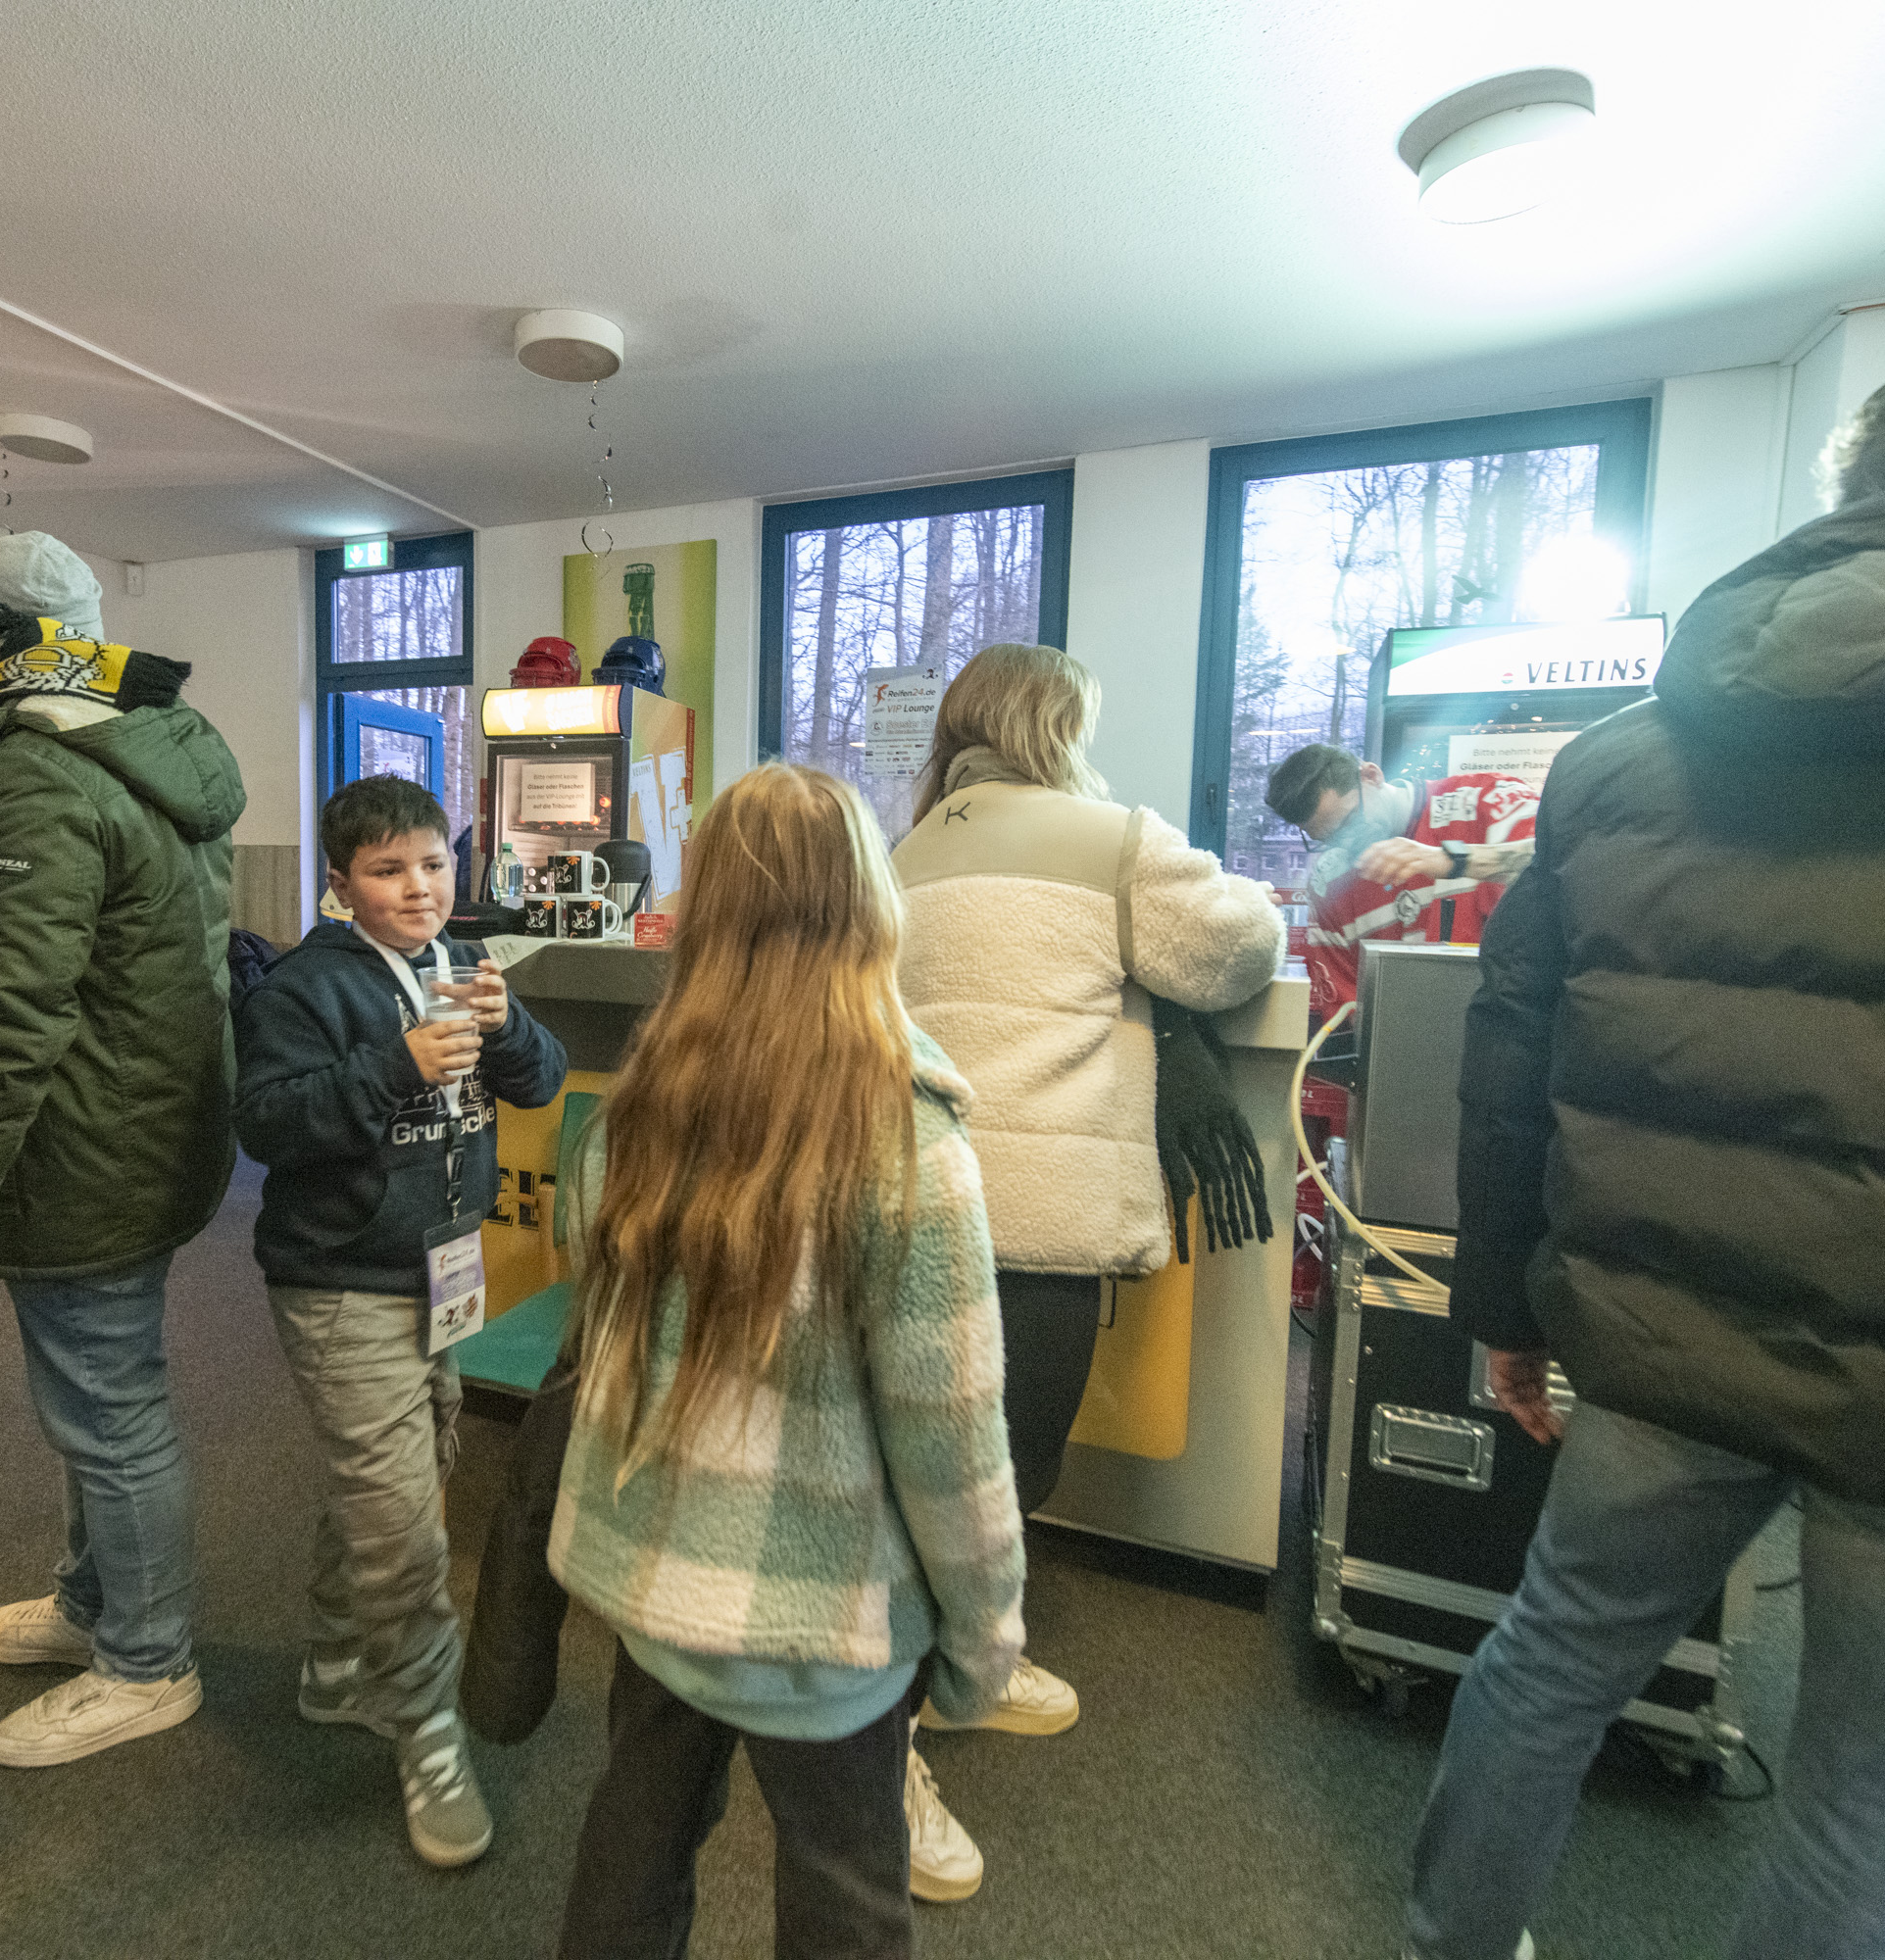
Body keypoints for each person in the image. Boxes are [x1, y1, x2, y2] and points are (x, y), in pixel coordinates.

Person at [1403, 345, 1885, 1960]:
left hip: (1668, 1329)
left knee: (1547, 1662)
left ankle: (1449, 1944)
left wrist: (1500, 1304)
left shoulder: (1627, 758)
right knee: (1876, 1823)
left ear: (1853, 492)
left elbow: (1516, 1057)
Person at [550, 762, 1025, 1960]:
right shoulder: (909, 1142)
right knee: (847, 1897)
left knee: (631, 1853)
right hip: (824, 1632)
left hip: (654, 1591)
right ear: (870, 905)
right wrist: (984, 1643)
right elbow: (952, 1433)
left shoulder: (634, 1111)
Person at [883, 642, 1283, 1896]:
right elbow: (1234, 953)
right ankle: (884, 1753)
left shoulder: (904, 852)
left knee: (931, 1468)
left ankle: (964, 1669)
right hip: (1042, 1218)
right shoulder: (1110, 838)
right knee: (1007, 1465)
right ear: (1055, 722)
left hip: (918, 1206)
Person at [0, 532, 245, 1769]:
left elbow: (2, 1011)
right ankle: (97, 1602)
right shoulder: (143, 736)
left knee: (108, 1405)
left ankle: (148, 1661)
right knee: (101, 1392)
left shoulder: (35, 771)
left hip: (85, 1144)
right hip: (145, 1127)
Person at [235, 775, 568, 1868]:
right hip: (340, 1283)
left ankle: (337, 1664)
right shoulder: (304, 987)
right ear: (341, 882)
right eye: (388, 869)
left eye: (431, 862)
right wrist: (395, 1064)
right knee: (406, 1527)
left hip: (437, 1273)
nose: (418, 886)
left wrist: (506, 1022)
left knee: (407, 1471)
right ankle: (426, 1726)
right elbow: (269, 1123)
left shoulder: (459, 967)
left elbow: (541, 1081)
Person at [1265, 742, 1536, 1029]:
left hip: (1511, 1026)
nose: (1347, 844)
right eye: (1330, 838)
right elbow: (1348, 1014)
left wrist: (1452, 859)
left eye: (1350, 823)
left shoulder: (1485, 799)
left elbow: (1564, 858)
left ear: (1371, 775)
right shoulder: (1331, 881)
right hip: (1409, 1048)